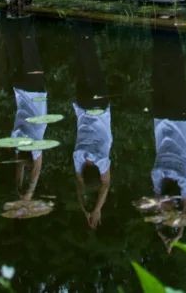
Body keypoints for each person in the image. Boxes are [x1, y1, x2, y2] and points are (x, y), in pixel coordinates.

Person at [149, 27, 186, 253]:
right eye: (166, 209)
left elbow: (158, 201)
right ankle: (171, 29)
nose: (162, 209)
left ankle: (158, 29)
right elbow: (184, 212)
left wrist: (164, 233)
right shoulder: (184, 180)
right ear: (176, 205)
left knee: (160, 68)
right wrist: (175, 236)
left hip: (162, 116)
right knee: (174, 69)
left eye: (162, 211)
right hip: (179, 117)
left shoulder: (159, 180)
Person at [1, 13, 47, 199]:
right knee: (15, 48)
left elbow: (35, 167)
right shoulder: (17, 140)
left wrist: (29, 191)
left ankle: (24, 15)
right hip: (19, 88)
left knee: (29, 47)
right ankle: (8, 16)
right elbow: (19, 164)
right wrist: (19, 187)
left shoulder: (35, 142)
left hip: (34, 88)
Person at [71, 21, 111, 230]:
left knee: (92, 64)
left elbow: (105, 185)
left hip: (98, 105)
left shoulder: (102, 159)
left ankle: (84, 30)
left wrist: (96, 209)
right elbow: (79, 185)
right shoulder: (77, 158)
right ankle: (78, 29)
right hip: (82, 104)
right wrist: (85, 208)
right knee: (81, 65)